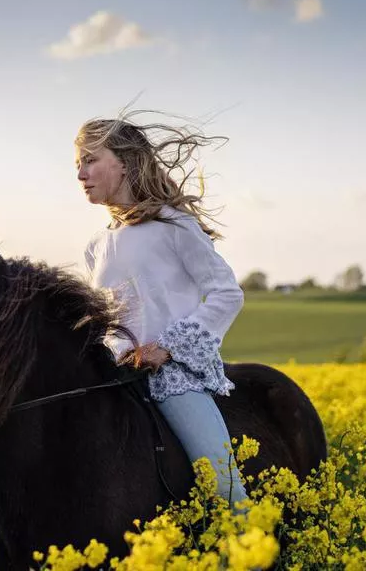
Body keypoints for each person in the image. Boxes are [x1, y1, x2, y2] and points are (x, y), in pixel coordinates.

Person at [76, 112, 249, 512]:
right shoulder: (94, 247)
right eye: (78, 164)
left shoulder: (174, 225)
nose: (81, 174)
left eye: (90, 160)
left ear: (123, 161)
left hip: (172, 379)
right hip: (113, 381)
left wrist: (166, 347)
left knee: (224, 490)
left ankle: (249, 544)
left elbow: (227, 294)